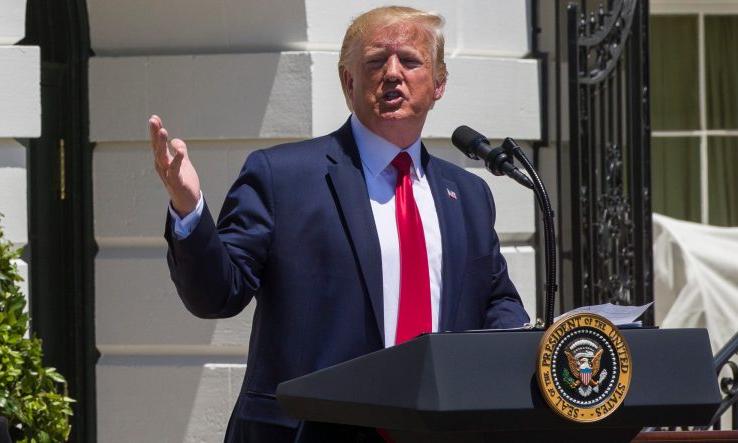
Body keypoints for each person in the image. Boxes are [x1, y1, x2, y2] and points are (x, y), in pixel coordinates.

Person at [150, 6, 529, 442]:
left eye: (409, 60)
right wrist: (189, 207)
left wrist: (528, 347)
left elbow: (496, 303)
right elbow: (217, 294)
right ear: (349, 82)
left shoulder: (468, 194)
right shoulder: (283, 177)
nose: (392, 73)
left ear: (439, 83)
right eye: (374, 61)